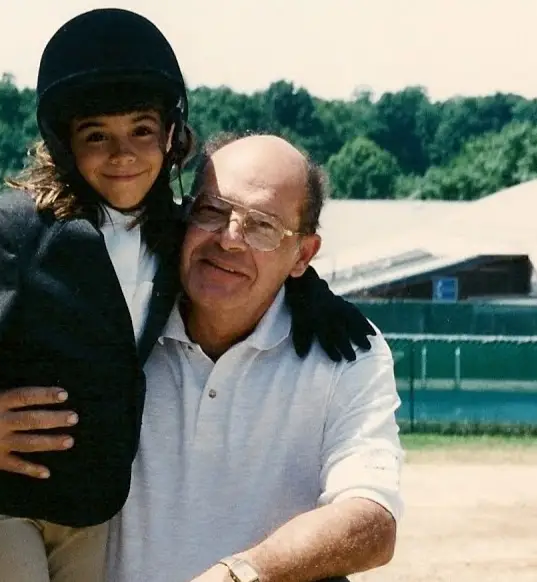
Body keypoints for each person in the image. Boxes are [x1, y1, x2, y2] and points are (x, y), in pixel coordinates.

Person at [0, 9, 376, 582]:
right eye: (95, 135)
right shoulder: (18, 230)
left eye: (140, 131)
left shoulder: (176, 233)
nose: (122, 155)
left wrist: (322, 301)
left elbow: (265, 254)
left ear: (170, 136)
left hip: (91, 501)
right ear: (64, 141)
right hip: (11, 491)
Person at [105, 133, 404, 582]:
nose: (229, 239)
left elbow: (372, 521)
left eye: (262, 226)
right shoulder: (118, 321)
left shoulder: (348, 352)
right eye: (211, 211)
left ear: (303, 254)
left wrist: (241, 575)